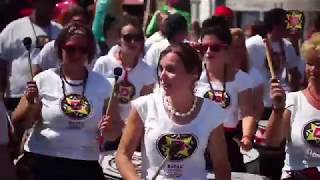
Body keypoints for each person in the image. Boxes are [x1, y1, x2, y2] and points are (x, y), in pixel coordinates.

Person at [12, 22, 116, 180]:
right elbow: (18, 122)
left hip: (85, 163)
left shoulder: (105, 85)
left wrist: (108, 130)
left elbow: (114, 133)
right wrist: (30, 104)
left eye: (83, 50)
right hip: (42, 160)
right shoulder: (42, 80)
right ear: (60, 50)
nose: (76, 54)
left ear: (90, 53)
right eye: (70, 48)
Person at [116, 43, 231, 180]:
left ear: (194, 73)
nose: (162, 76)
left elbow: (221, 165)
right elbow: (122, 156)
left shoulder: (212, 112)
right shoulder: (144, 106)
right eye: (160, 69)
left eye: (170, 69)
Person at [246, 8, 302, 179]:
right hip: (260, 105)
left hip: (281, 104)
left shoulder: (288, 46)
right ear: (276, 26)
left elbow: (294, 73)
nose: (289, 28)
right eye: (286, 24)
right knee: (261, 150)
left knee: (278, 149)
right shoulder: (253, 44)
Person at [195, 17, 256, 172]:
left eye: (215, 47)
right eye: (204, 47)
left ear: (226, 49)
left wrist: (247, 136)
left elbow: (247, 112)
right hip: (198, 143)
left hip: (227, 143)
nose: (208, 52)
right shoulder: (193, 76)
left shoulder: (241, 79)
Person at [93, 15, 155, 149]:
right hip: (105, 129)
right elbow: (94, 97)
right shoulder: (104, 63)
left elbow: (145, 107)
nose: (133, 42)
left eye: (137, 38)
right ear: (118, 40)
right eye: (127, 38)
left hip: (131, 131)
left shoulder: (147, 70)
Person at [266, 33, 320, 179]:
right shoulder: (294, 100)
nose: (313, 70)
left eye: (319, 64)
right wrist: (278, 109)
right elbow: (272, 142)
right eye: (310, 63)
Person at [32, 4, 90, 76]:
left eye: (83, 50)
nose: (79, 27)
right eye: (70, 49)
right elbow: (37, 72)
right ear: (66, 24)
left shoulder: (93, 46)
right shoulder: (51, 48)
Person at [230, 28, 264, 120]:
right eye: (234, 47)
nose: (238, 51)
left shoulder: (254, 75)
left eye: (241, 46)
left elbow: (258, 108)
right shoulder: (219, 74)